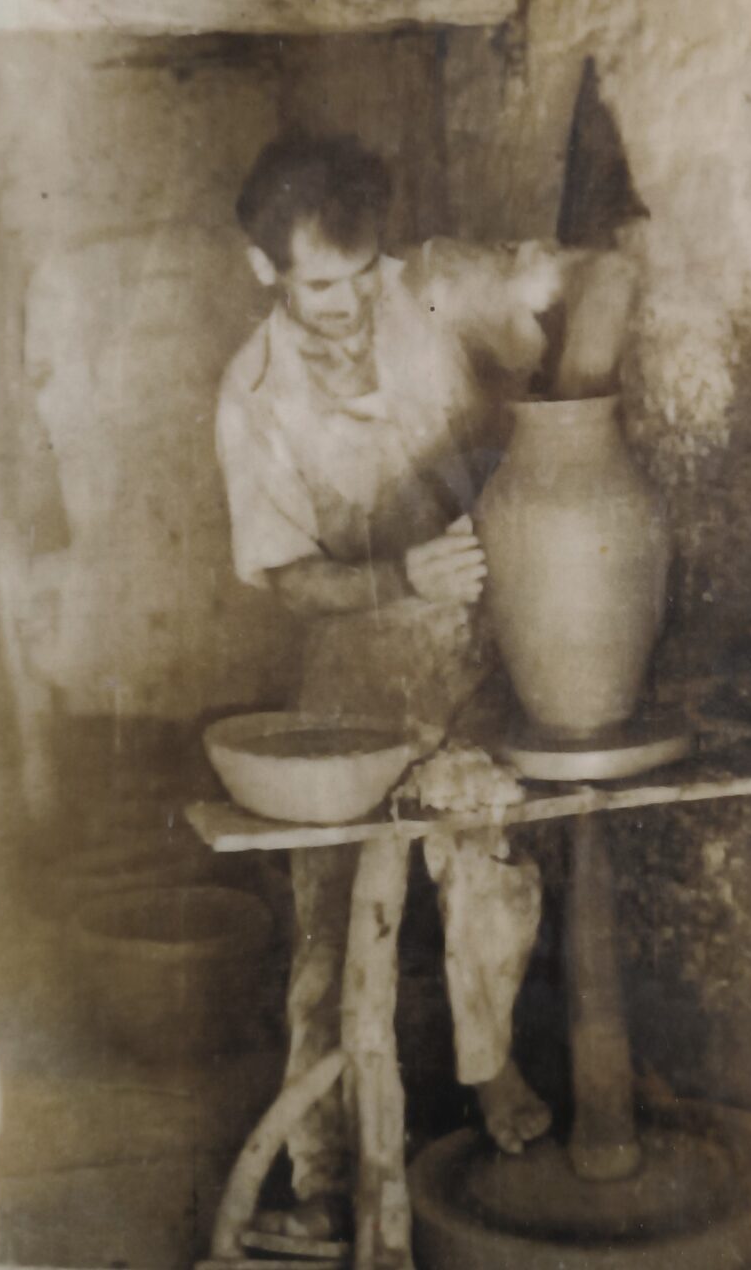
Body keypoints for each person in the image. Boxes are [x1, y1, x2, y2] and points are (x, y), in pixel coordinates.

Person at [216, 134, 570, 1240]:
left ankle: (490, 1065)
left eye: (363, 273)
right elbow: (288, 577)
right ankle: (324, 1168)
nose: (351, 303)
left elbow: (553, 300)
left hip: (475, 646)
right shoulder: (253, 395)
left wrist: (549, 289)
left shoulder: (429, 288)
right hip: (351, 667)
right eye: (322, 284)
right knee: (329, 929)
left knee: (486, 867)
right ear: (266, 270)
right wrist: (398, 577)